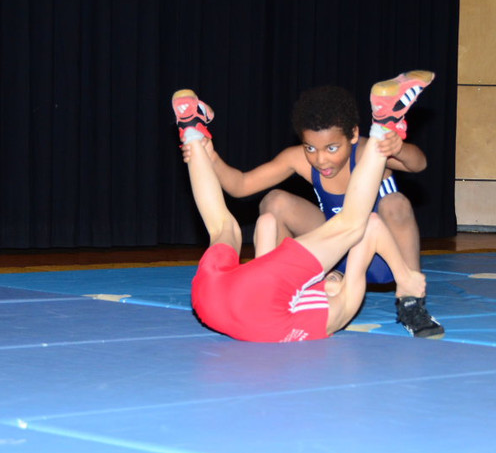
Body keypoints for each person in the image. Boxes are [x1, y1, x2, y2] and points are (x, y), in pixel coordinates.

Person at [171, 71, 433, 342]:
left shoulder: (323, 309)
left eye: (331, 149)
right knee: (223, 225)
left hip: (226, 298)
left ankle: (192, 134)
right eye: (311, 149)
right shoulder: (330, 311)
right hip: (210, 301)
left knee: (382, 209)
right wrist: (209, 156)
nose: (321, 160)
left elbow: (412, 173)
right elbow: (242, 187)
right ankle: (192, 132)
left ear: (353, 135)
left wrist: (396, 148)